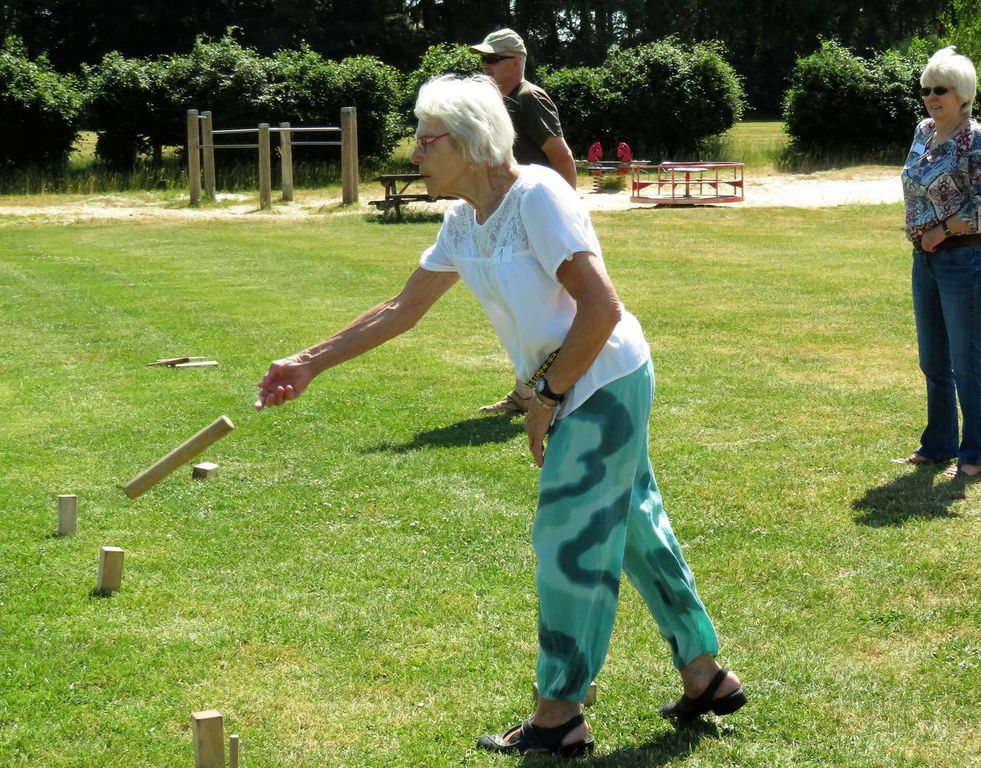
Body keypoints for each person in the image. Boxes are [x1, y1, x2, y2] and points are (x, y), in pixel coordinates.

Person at [256, 75, 745, 757]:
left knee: (567, 540)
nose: (414, 154)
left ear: (467, 142)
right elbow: (401, 308)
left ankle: (559, 712)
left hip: (604, 379)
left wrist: (544, 398)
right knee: (636, 527)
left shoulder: (538, 196)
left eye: (425, 141)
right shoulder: (463, 220)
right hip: (569, 382)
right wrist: (307, 362)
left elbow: (601, 308)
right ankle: (704, 674)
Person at [896, 47, 981, 479]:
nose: (931, 97)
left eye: (940, 90)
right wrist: (923, 235)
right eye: (926, 90)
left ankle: (974, 454)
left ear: (962, 94)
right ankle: (938, 444)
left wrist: (942, 230)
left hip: (965, 260)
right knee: (933, 360)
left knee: (965, 361)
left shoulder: (975, 139)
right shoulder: (923, 131)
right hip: (925, 261)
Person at [470, 27, 579, 416]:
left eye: (492, 59)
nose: (484, 66)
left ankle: (559, 389)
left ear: (515, 62)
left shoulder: (529, 98)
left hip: (539, 217)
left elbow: (562, 156)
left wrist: (566, 212)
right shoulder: (501, 102)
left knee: (543, 306)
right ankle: (525, 392)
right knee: (519, 302)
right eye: (482, 60)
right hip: (514, 218)